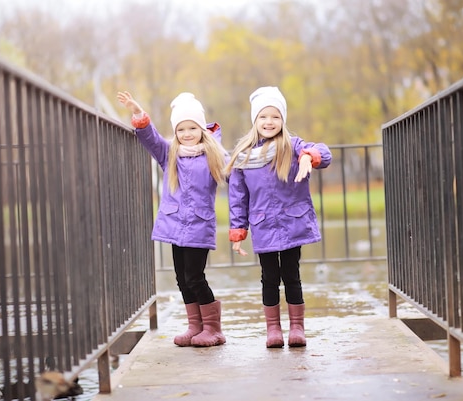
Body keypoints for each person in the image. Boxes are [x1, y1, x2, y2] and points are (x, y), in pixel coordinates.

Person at [117, 90, 227, 347]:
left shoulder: (214, 155)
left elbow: (237, 174)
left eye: (192, 128)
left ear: (201, 128)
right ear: (175, 133)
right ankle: (195, 326)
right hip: (174, 225)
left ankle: (213, 328)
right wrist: (138, 113)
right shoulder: (169, 154)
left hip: (199, 226)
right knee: (181, 277)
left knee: (195, 276)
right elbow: (150, 138)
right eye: (181, 129)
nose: (187, 134)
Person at [225, 86, 332, 348]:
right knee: (269, 276)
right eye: (263, 117)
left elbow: (325, 152)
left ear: (282, 119)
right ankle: (273, 329)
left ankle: (297, 328)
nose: (269, 122)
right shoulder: (244, 156)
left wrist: (309, 157)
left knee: (292, 274)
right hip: (263, 225)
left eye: (275, 116)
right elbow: (238, 197)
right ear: (255, 121)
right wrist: (238, 230)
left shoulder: (293, 146)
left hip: (292, 222)